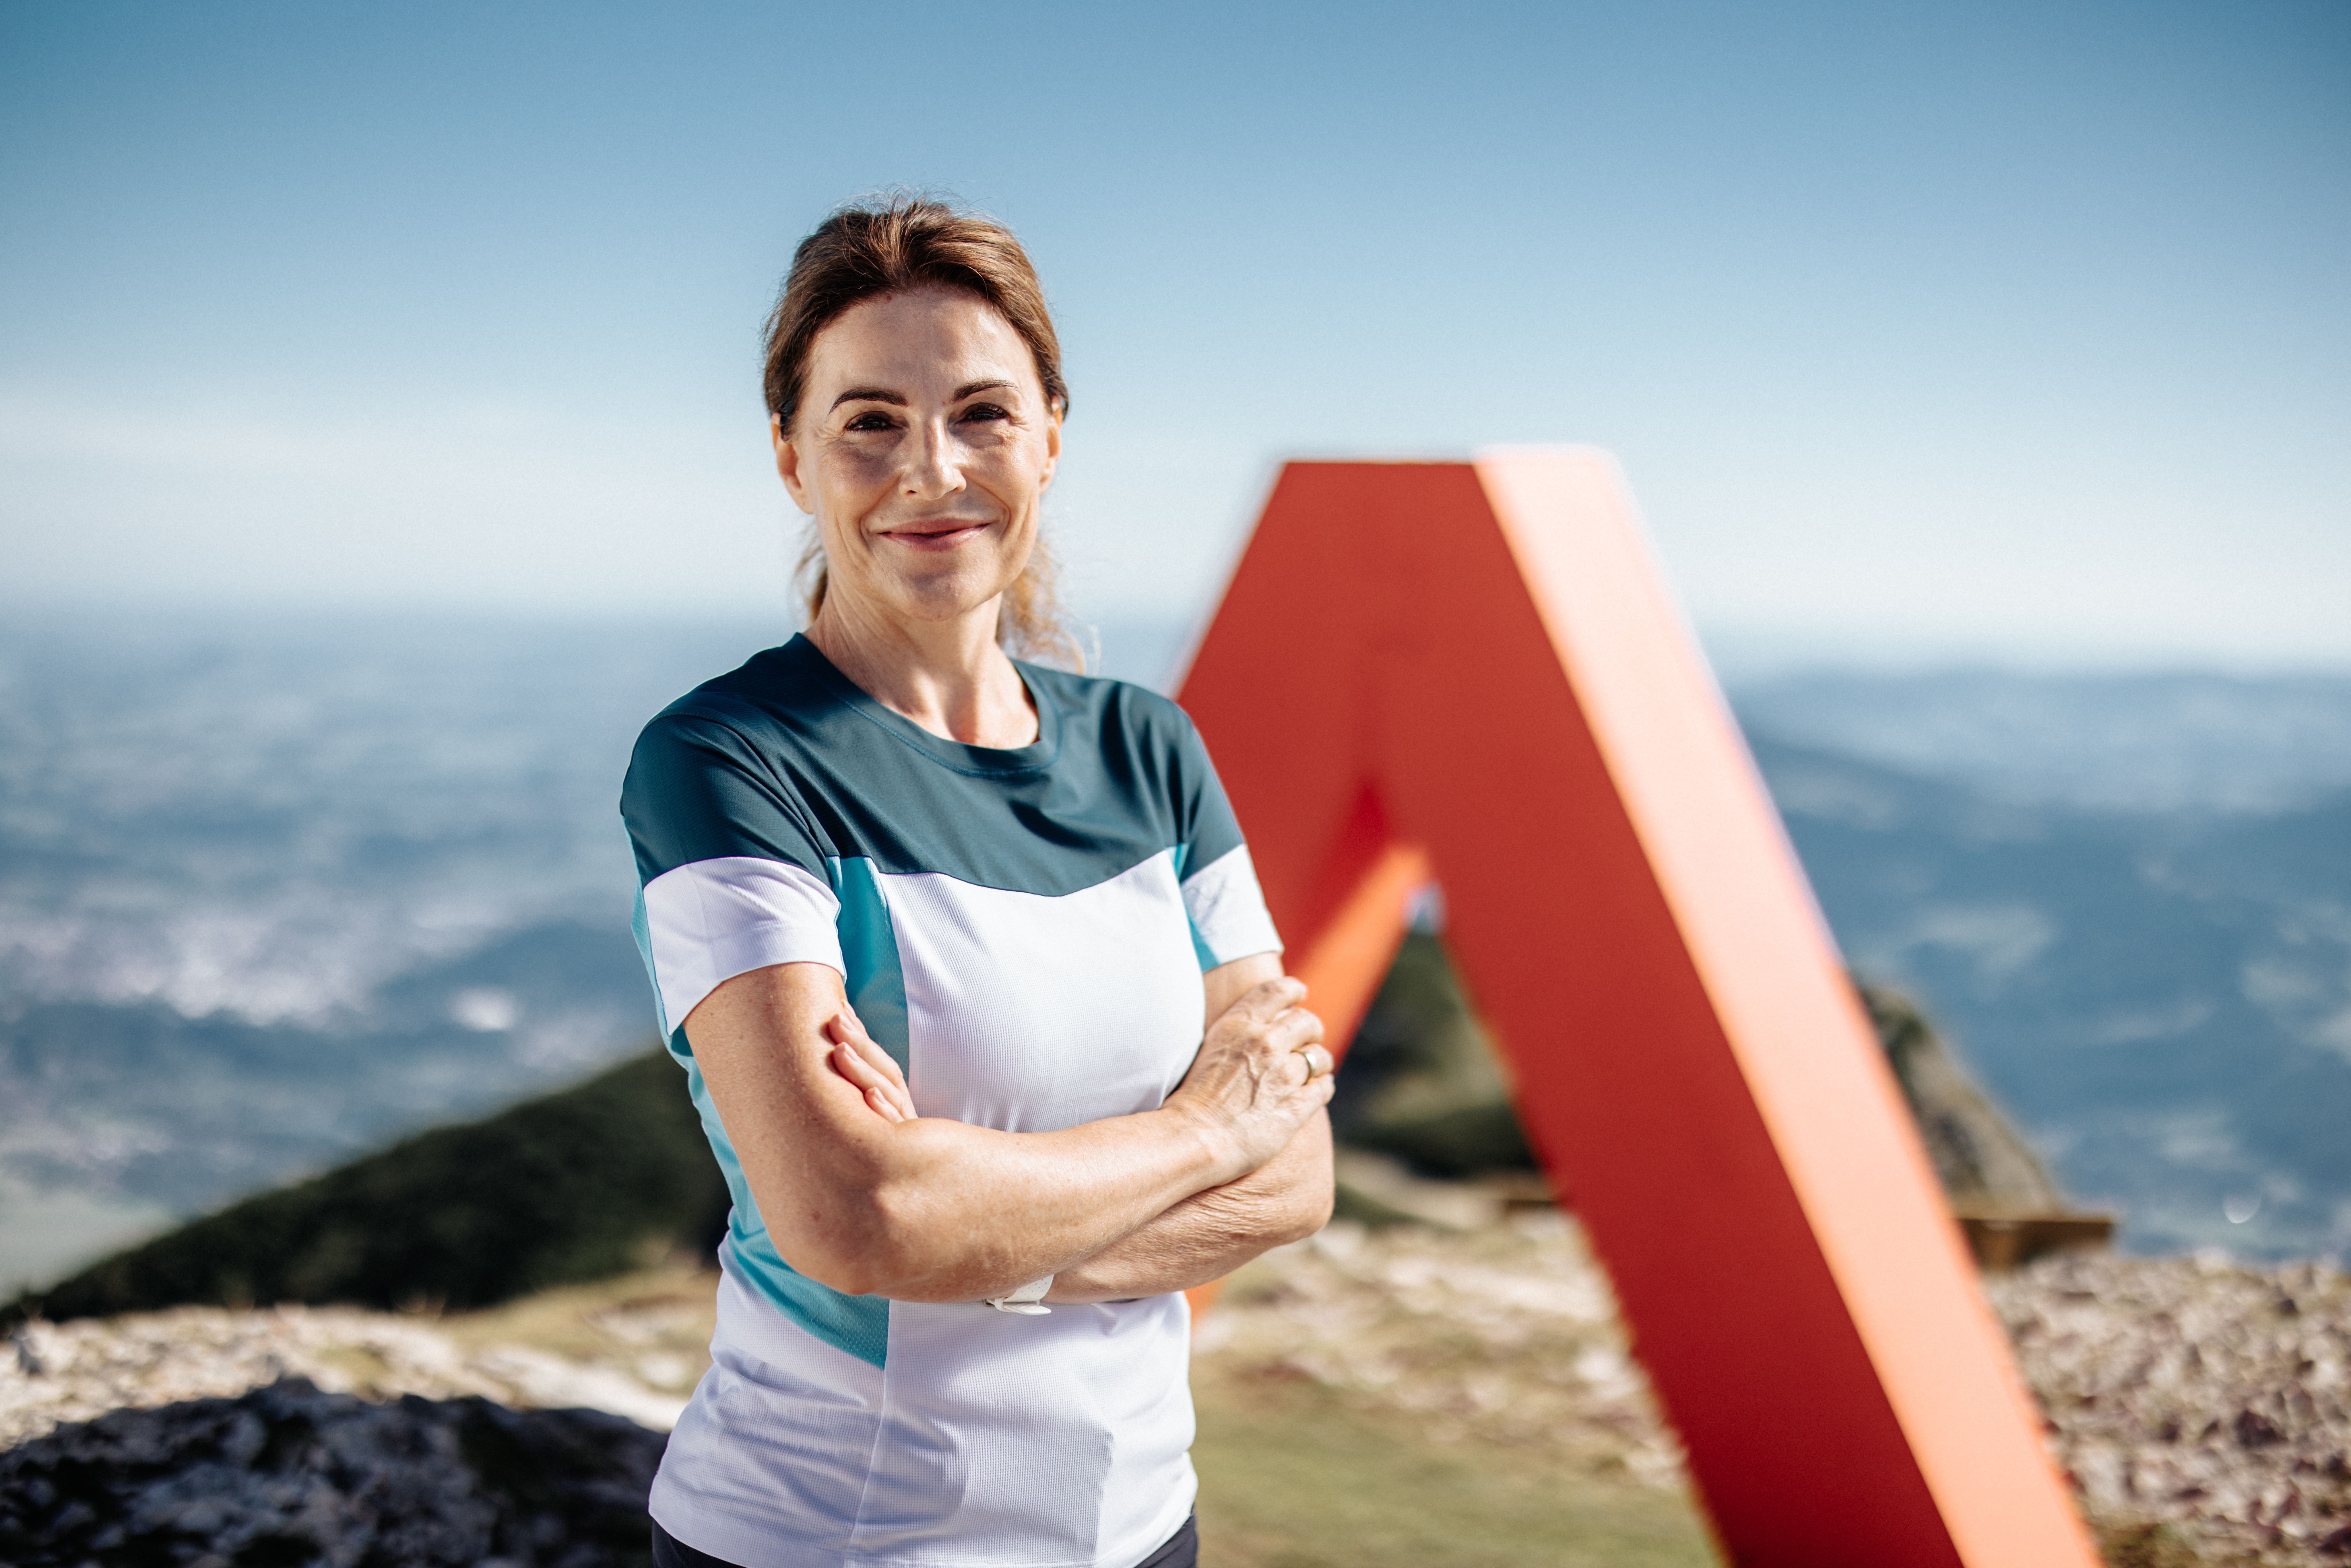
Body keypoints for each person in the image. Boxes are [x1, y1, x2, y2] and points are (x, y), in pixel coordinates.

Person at [619, 196, 1337, 1568]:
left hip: (1141, 1529)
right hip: (838, 1538)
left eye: (983, 414)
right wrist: (1200, 1129)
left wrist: (971, 1226)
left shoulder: (1151, 747)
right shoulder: (725, 760)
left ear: (1051, 434)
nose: (930, 468)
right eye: (869, 419)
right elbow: (854, 1213)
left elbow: (1296, 1167)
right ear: (792, 457)